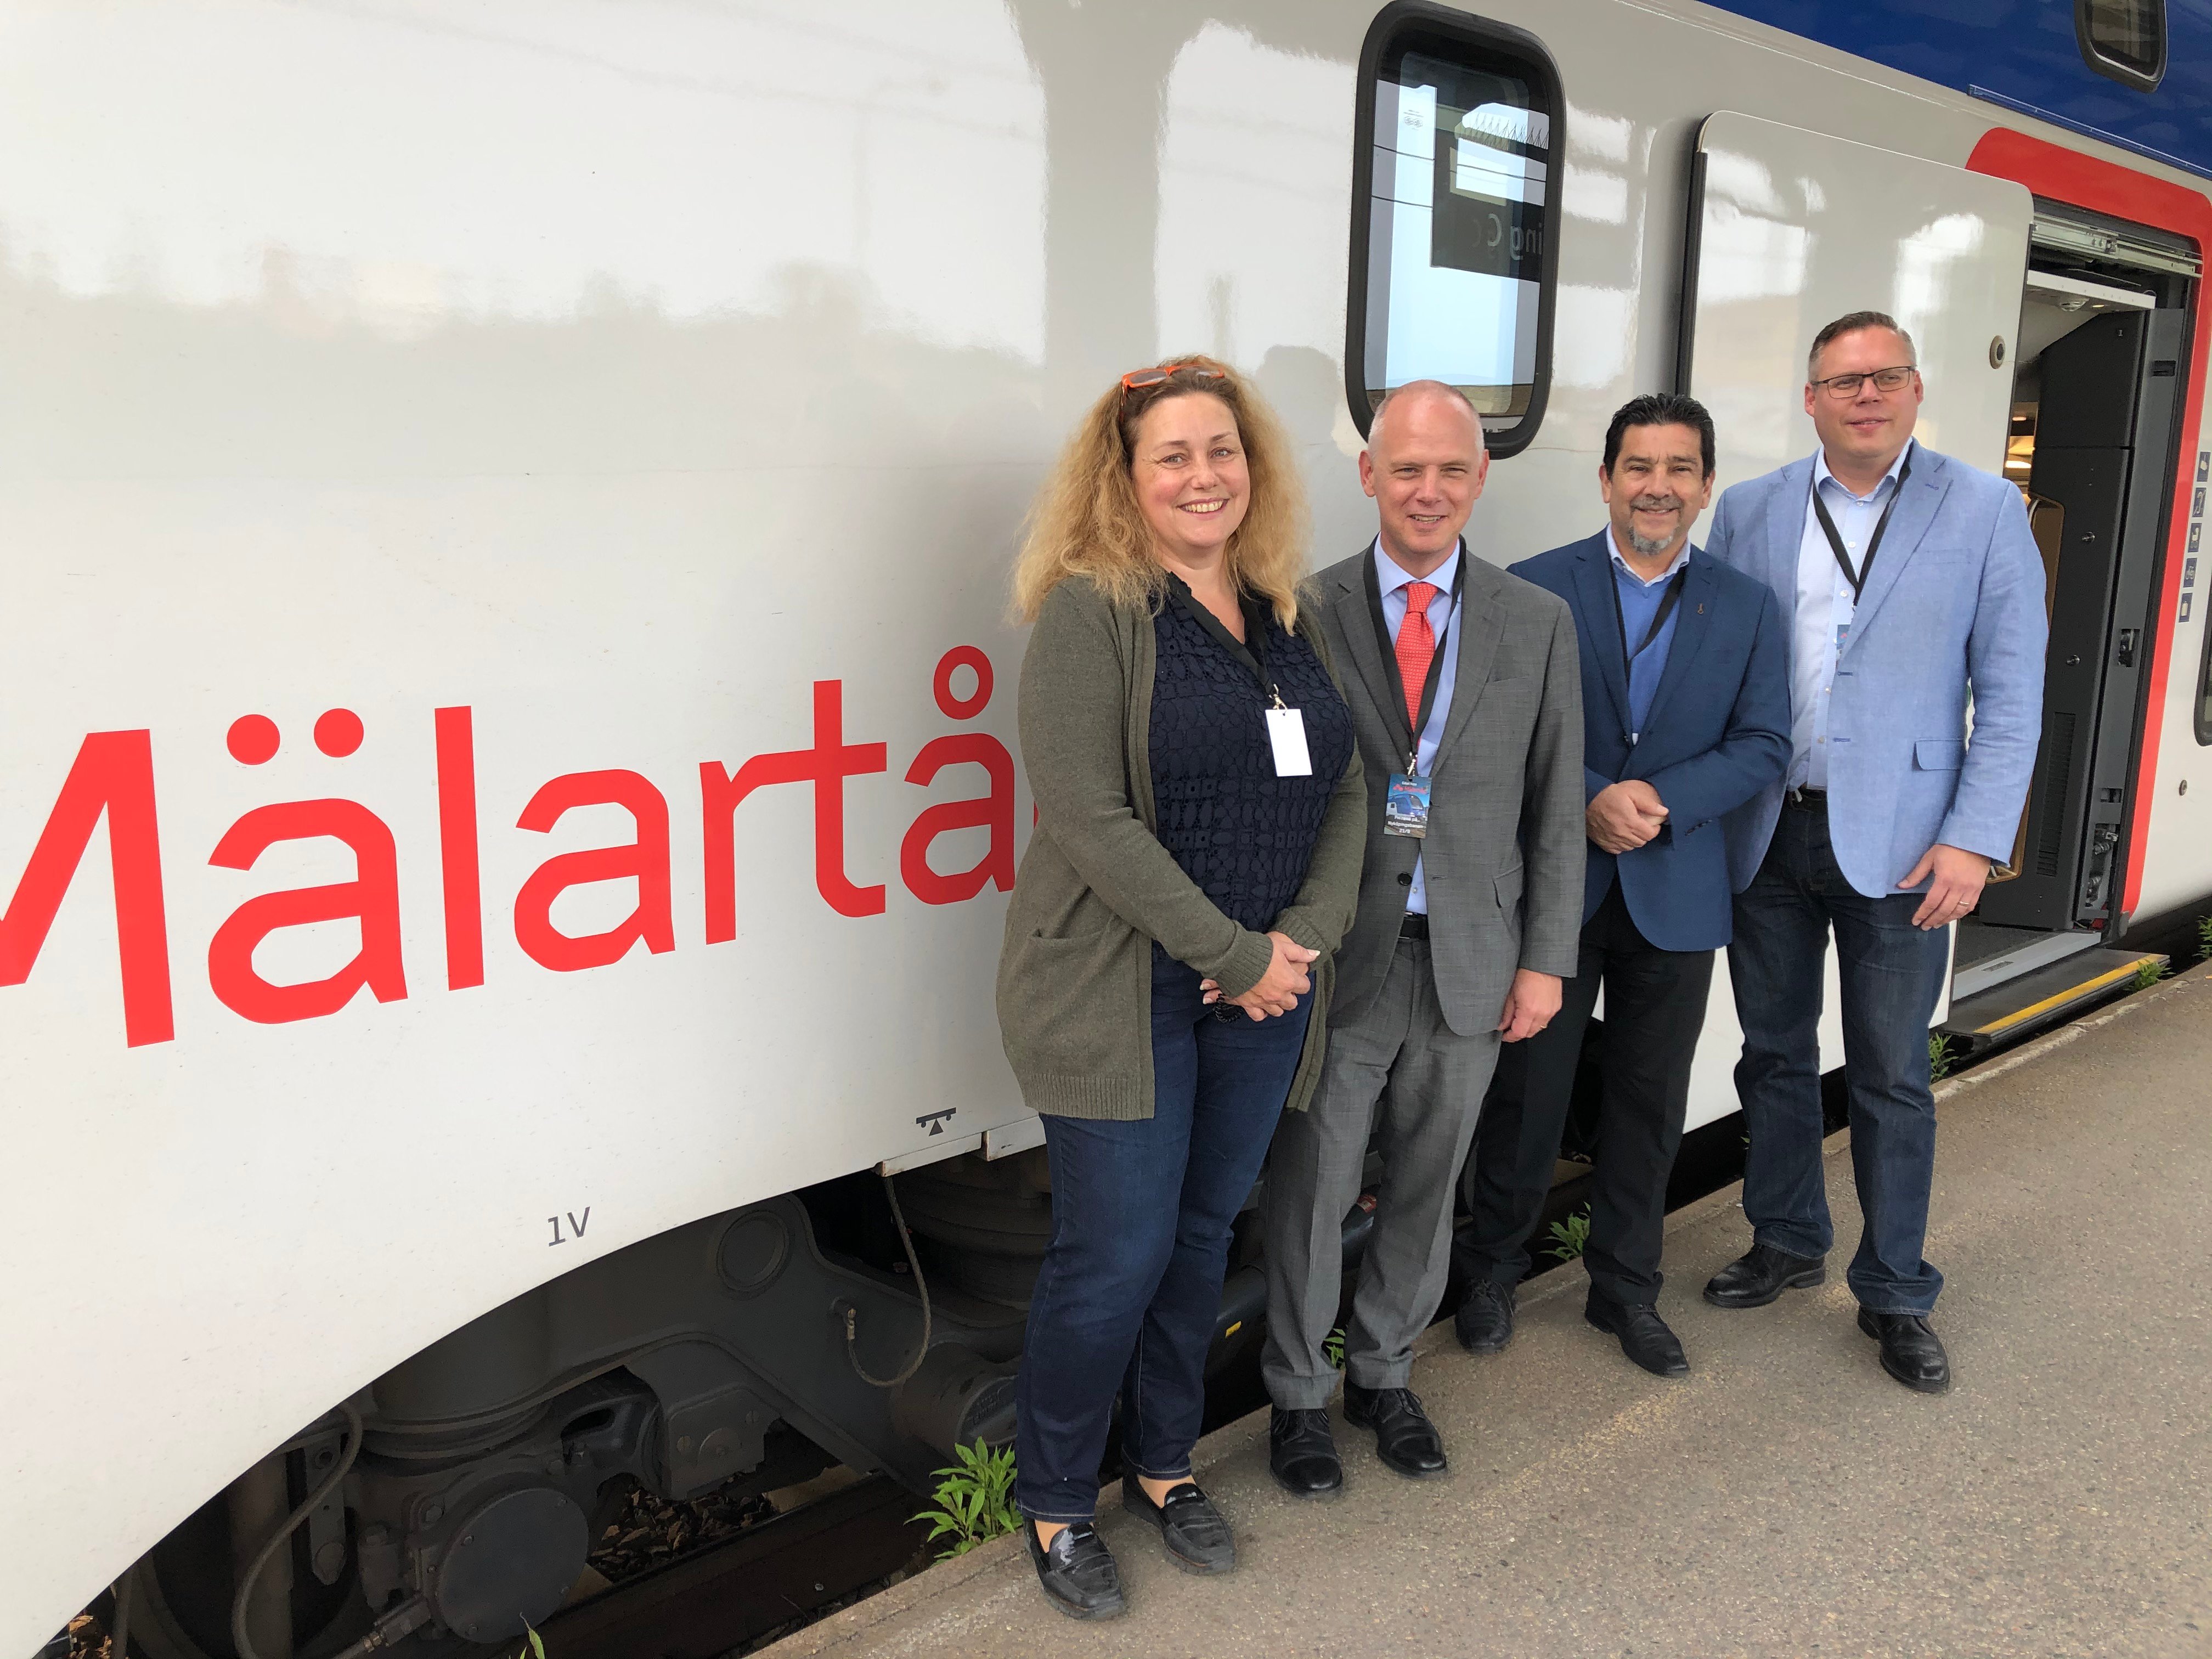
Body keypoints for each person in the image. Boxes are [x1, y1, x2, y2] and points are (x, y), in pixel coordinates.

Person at [996, 357, 1367, 1618]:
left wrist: (1300, 941)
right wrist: (1238, 956)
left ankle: (1164, 1467)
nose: (1204, 475)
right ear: (1127, 477)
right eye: (1174, 456)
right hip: (1121, 991)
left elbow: (1349, 786)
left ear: (1250, 466)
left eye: (1223, 450)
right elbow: (1090, 820)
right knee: (1116, 1254)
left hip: (1264, 989)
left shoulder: (1282, 609)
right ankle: (1053, 1504)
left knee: (1204, 1240)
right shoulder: (1091, 611)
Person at [1701, 311, 2046, 1393]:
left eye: (1886, 377)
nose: (1866, 396)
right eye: (1844, 381)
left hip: (1908, 850)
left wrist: (1974, 842)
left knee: (1893, 1072)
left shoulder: (1986, 508)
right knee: (1772, 1052)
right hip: (1768, 828)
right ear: (1810, 399)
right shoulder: (1753, 510)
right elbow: (1719, 662)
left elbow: (2015, 694)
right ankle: (1787, 1238)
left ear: (1914, 391)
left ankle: (1895, 1291)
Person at [1260, 380, 1583, 1496]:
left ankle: (1387, 1377)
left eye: (1452, 469)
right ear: (1368, 477)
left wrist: (1546, 958)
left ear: (1480, 479)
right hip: (1340, 960)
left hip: (1472, 963)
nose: (1429, 490)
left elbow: (1554, 805)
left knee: (1428, 1183)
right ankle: (1299, 1400)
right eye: (1407, 469)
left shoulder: (1536, 623)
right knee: (1310, 1190)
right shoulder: (1299, 612)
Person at [1452, 394, 1790, 1376]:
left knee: (1650, 1104)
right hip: (1554, 890)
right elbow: (1491, 732)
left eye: (1680, 468)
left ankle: (1624, 1291)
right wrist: (1592, 797)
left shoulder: (1745, 605)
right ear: (1605, 480)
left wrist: (1660, 802)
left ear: (1704, 487)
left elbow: (1764, 741)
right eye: (1639, 466)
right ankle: (1487, 1275)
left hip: (1678, 892)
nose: (1658, 486)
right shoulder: (1532, 588)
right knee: (1527, 1094)